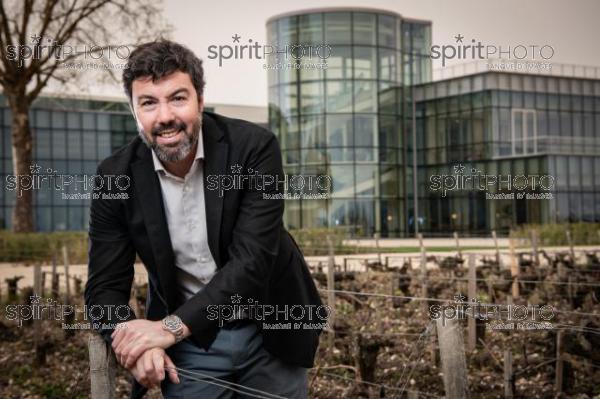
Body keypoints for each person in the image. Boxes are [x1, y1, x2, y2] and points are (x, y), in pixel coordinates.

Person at [84, 39, 324, 399]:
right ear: (134, 111)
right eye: (148, 103)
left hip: (269, 332)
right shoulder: (114, 176)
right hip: (192, 348)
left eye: (178, 98)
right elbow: (103, 288)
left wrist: (167, 329)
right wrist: (136, 340)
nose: (164, 116)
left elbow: (252, 261)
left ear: (200, 100)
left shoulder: (254, 148)